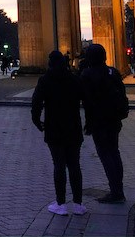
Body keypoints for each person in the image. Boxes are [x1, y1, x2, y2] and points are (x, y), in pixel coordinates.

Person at [31, 50, 86, 216]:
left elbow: (36, 102)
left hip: (54, 128)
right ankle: (78, 204)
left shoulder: (45, 80)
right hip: (73, 128)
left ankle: (60, 204)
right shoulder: (74, 79)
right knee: (74, 165)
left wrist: (36, 120)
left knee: (59, 166)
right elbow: (86, 100)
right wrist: (89, 122)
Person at [80, 43, 128, 204]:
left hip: (99, 121)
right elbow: (122, 93)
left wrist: (88, 122)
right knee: (114, 152)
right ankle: (118, 189)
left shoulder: (87, 74)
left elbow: (86, 100)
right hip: (114, 119)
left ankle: (115, 192)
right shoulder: (113, 72)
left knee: (105, 154)